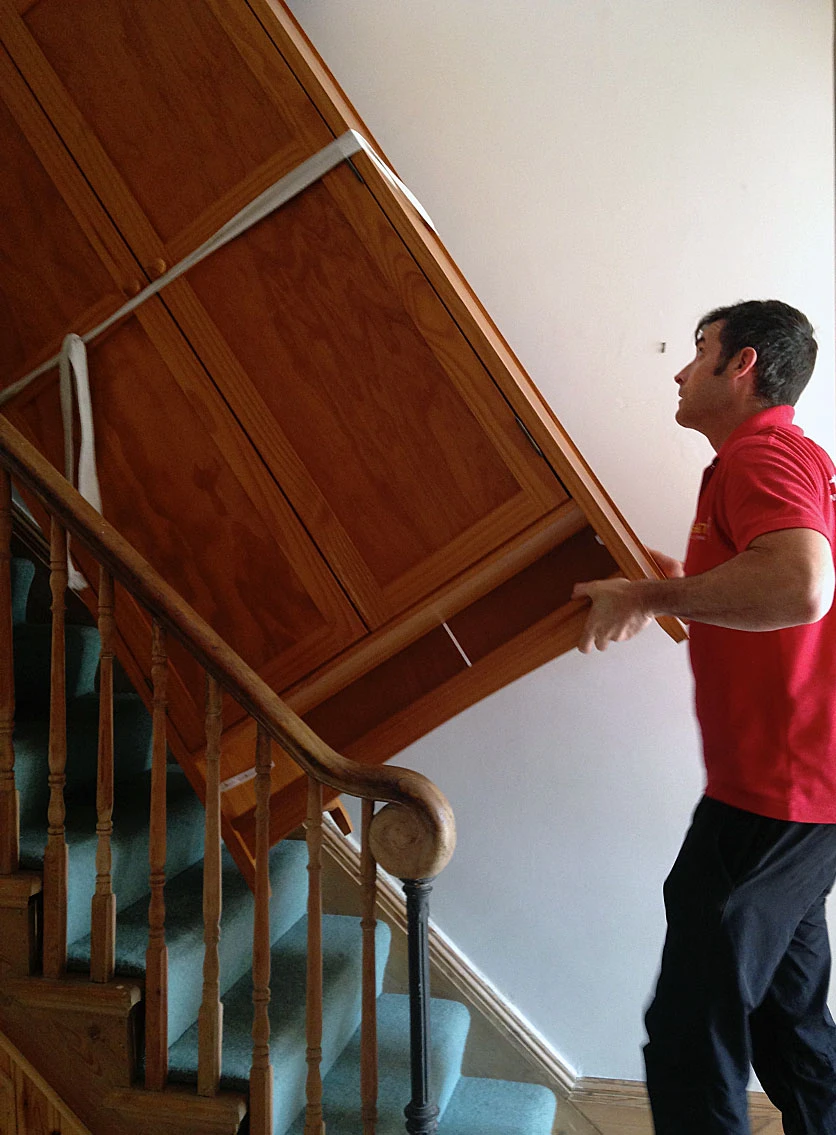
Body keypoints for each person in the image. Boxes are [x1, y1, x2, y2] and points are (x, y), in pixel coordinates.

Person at [573, 299, 836, 1134]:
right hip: (797, 787)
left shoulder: (759, 455)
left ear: (742, 364)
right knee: (789, 1024)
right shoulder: (789, 455)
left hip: (780, 791)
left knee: (692, 1031)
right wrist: (667, 583)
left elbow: (801, 586)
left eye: (699, 351)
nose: (681, 372)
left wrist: (652, 595)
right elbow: (766, 584)